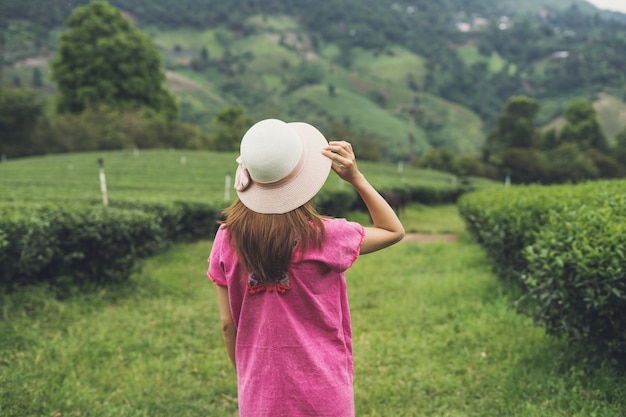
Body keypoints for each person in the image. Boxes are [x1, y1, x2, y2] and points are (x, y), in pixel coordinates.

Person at [207, 118, 404, 417]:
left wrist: (247, 373)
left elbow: (226, 325)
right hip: (324, 390)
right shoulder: (326, 235)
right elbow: (393, 231)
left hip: (259, 394)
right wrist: (357, 178)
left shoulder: (225, 238)